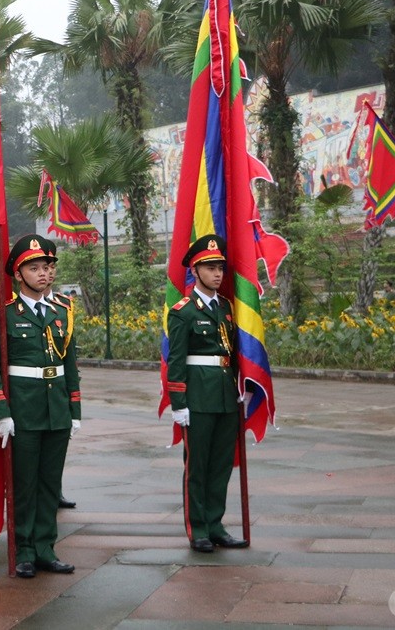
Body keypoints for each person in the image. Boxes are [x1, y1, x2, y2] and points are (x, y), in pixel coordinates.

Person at [0, 234, 81, 579]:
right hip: (23, 411)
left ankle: (45, 548)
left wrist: (74, 411)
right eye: (35, 268)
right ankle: (24, 549)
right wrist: (1, 413)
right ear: (18, 274)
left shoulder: (61, 312)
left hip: (56, 410)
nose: (43, 274)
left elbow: (69, 364)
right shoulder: (4, 315)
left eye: (47, 267)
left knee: (50, 485)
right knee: (24, 485)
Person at [165, 234, 248, 553]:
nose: (217, 274)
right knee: (197, 467)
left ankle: (216, 524)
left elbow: (233, 353)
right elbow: (176, 360)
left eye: (220, 268)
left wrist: (241, 387)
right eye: (210, 268)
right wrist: (179, 403)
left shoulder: (226, 307)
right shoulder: (183, 311)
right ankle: (198, 528)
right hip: (198, 397)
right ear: (195, 271)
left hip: (225, 395)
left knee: (221, 465)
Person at [42, 239, 77, 511]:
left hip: (58, 383)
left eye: (52, 266)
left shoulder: (64, 304)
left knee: (57, 445)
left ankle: (56, 489)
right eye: (44, 267)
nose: (49, 272)